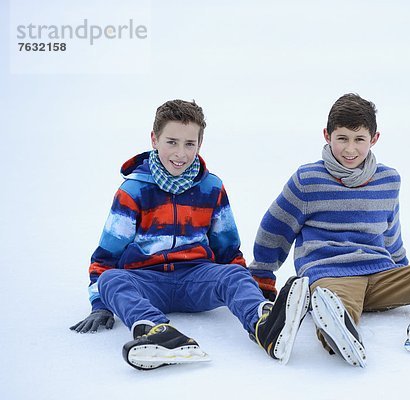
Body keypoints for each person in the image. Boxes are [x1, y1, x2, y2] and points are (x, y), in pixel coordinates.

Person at [248, 93, 410, 368]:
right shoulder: (308, 180)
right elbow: (275, 227)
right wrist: (262, 275)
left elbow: (390, 232)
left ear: (374, 139)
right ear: (327, 135)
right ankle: (338, 333)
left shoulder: (388, 180)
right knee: (334, 305)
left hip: (380, 274)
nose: (350, 149)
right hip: (330, 273)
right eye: (342, 138)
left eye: (359, 139)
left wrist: (403, 271)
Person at [70, 99, 310, 370]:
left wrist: (248, 290)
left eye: (189, 144)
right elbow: (106, 256)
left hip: (196, 278)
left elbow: (228, 250)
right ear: (154, 139)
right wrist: (100, 303)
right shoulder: (133, 192)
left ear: (199, 144)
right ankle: (157, 333)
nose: (180, 153)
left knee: (234, 274)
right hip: (148, 282)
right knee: (111, 279)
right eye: (171, 142)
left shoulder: (211, 188)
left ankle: (265, 325)